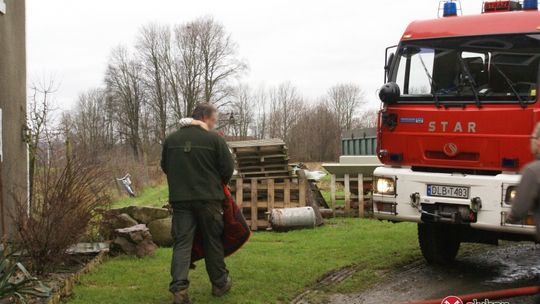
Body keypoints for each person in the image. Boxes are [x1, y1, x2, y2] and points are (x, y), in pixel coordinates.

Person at [161, 103, 235, 304]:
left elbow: (165, 167)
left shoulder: (171, 140)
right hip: (209, 199)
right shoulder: (214, 140)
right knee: (213, 241)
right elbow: (228, 169)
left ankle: (179, 292)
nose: (213, 124)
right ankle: (220, 284)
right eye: (213, 120)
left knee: (182, 244)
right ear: (204, 117)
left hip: (181, 201)